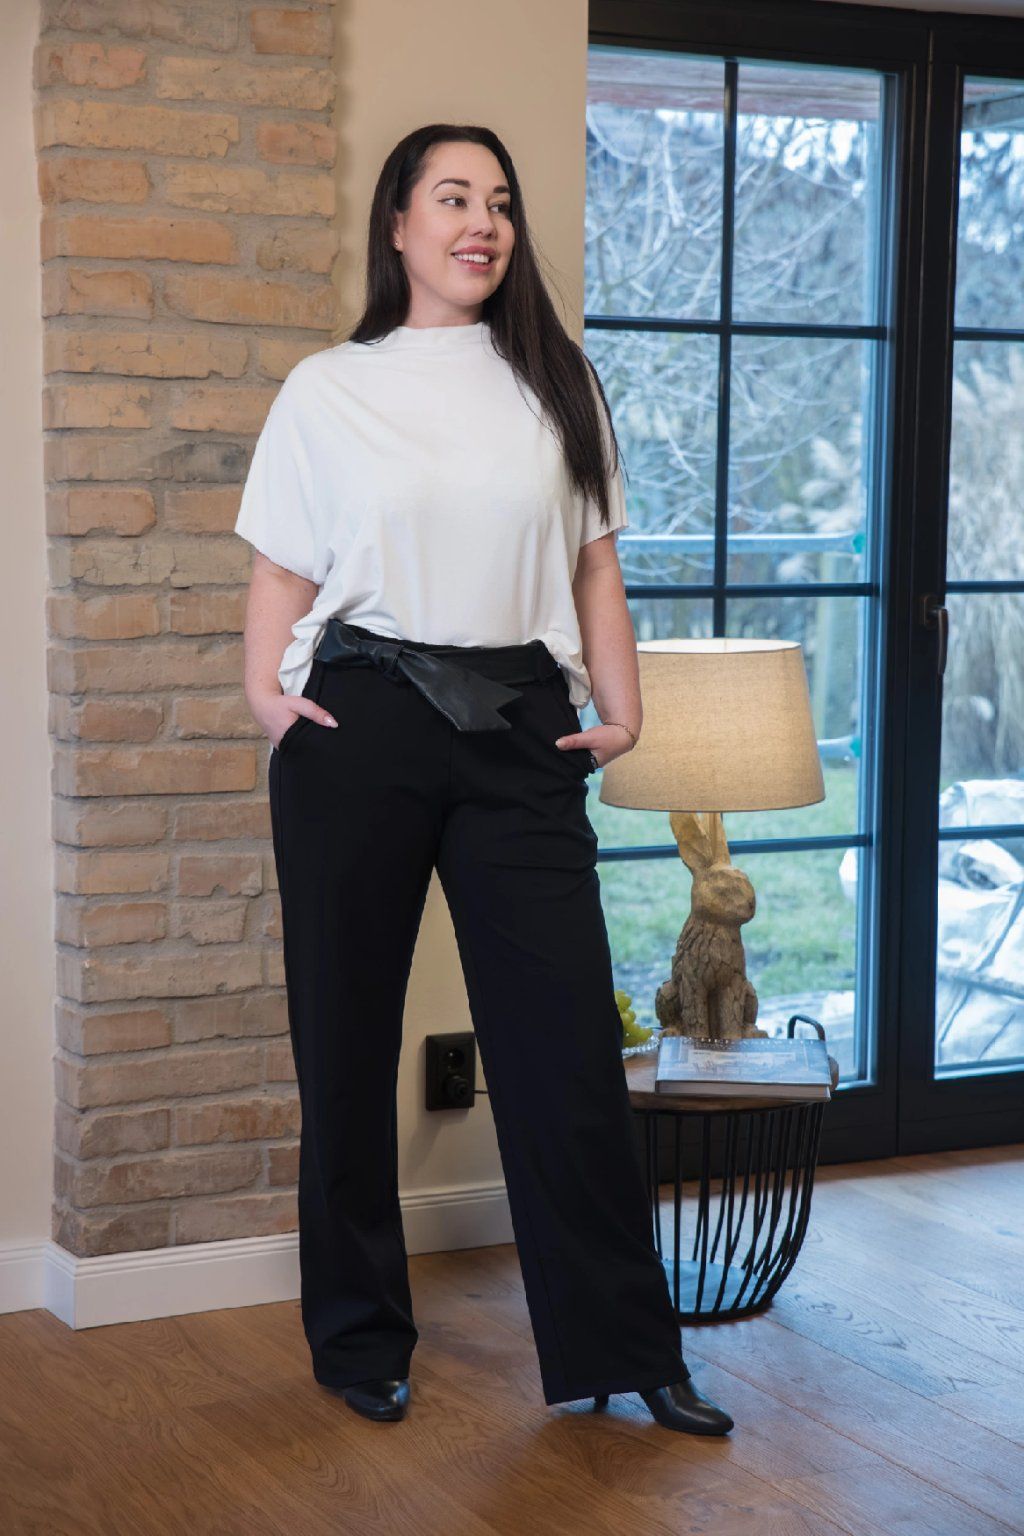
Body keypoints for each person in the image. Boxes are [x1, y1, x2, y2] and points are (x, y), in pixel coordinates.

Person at [235, 122, 734, 1437]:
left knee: (565, 1043)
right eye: (453, 198)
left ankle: (627, 1347)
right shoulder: (327, 388)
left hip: (519, 723)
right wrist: (269, 700)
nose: (483, 223)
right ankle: (359, 1337)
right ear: (398, 225)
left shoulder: (557, 381)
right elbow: (281, 568)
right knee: (346, 1037)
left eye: (499, 202)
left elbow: (592, 564)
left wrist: (623, 708)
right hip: (361, 719)